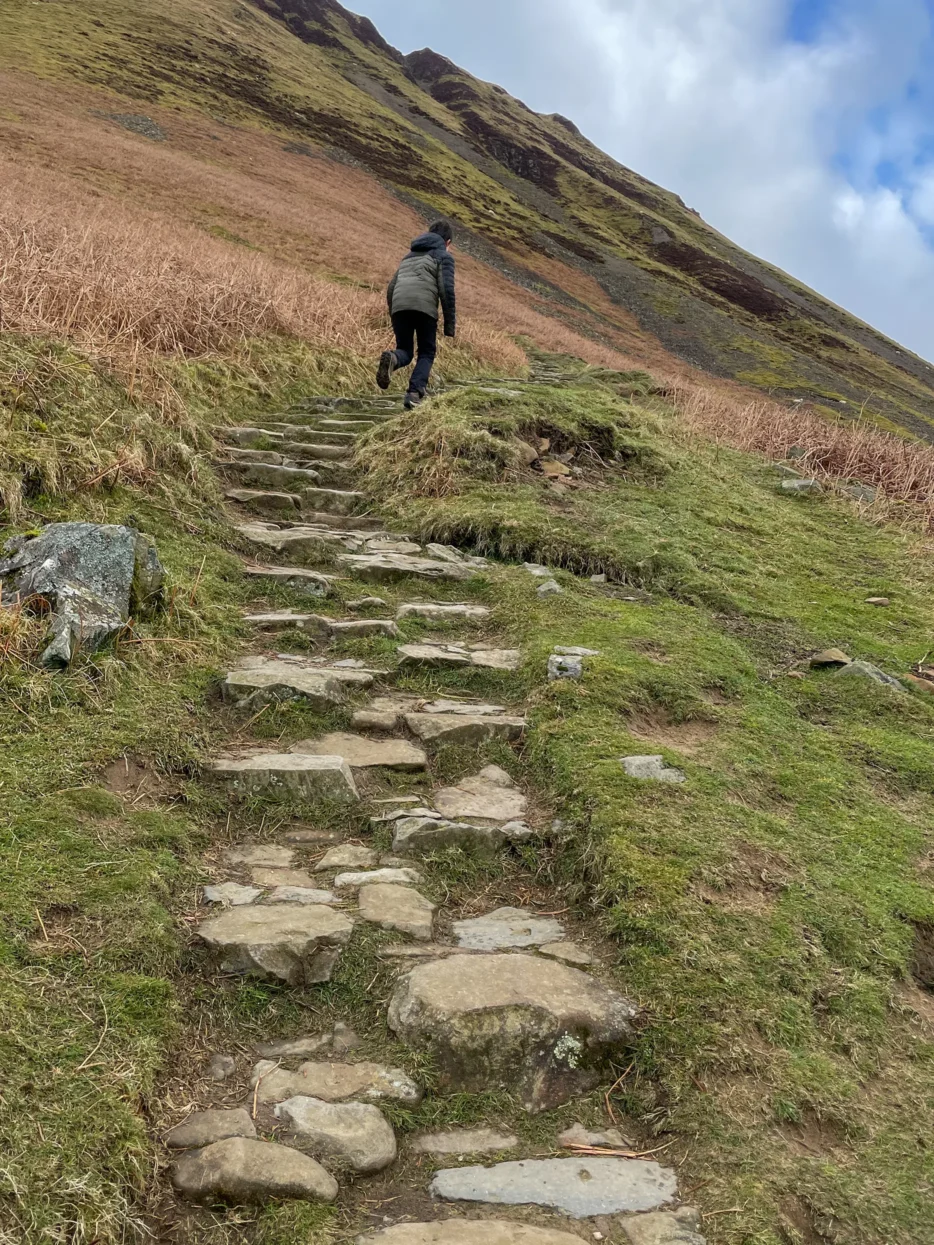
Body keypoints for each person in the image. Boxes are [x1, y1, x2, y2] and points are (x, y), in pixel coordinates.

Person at [377, 219, 456, 410]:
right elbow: (446, 290)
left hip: (399, 305)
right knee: (427, 352)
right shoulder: (443, 257)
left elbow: (391, 287)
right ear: (448, 243)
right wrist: (450, 325)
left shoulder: (408, 256)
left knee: (405, 349)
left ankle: (393, 358)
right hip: (424, 307)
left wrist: (394, 312)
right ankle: (414, 393)